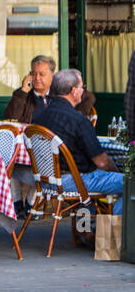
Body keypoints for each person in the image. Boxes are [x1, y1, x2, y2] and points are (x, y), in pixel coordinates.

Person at [32, 69, 123, 226]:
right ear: (74, 91)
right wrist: (117, 171)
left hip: (46, 181)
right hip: (74, 181)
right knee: (130, 184)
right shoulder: (78, 120)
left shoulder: (39, 117)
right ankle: (117, 234)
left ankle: (86, 230)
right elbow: (102, 162)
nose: (83, 90)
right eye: (82, 86)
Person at [5, 55, 96, 124]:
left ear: (52, 76)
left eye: (42, 74)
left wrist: (73, 117)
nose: (37, 78)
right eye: (33, 74)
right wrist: (23, 91)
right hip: (30, 142)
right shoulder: (23, 95)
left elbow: (89, 97)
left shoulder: (60, 91)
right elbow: (11, 119)